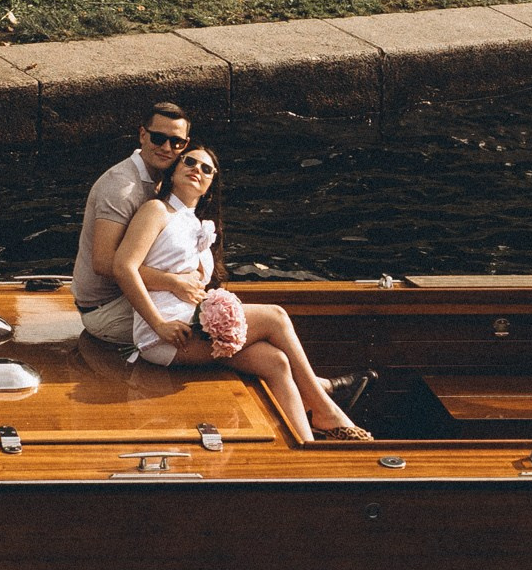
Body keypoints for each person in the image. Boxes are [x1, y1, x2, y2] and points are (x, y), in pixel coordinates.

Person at [112, 146, 371, 442]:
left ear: (211, 185)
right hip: (167, 331)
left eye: (206, 168)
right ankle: (325, 408)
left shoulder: (197, 224)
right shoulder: (157, 210)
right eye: (190, 161)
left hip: (190, 323)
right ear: (173, 171)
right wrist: (158, 323)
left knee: (276, 362)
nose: (197, 169)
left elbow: (187, 280)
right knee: (276, 316)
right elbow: (123, 267)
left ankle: (306, 445)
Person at [72, 101, 200, 349]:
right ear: (142, 135)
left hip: (131, 295)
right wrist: (174, 282)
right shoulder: (122, 188)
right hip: (106, 309)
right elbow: (103, 262)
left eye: (177, 142)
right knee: (213, 331)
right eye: (158, 138)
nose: (167, 148)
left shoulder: (161, 180)